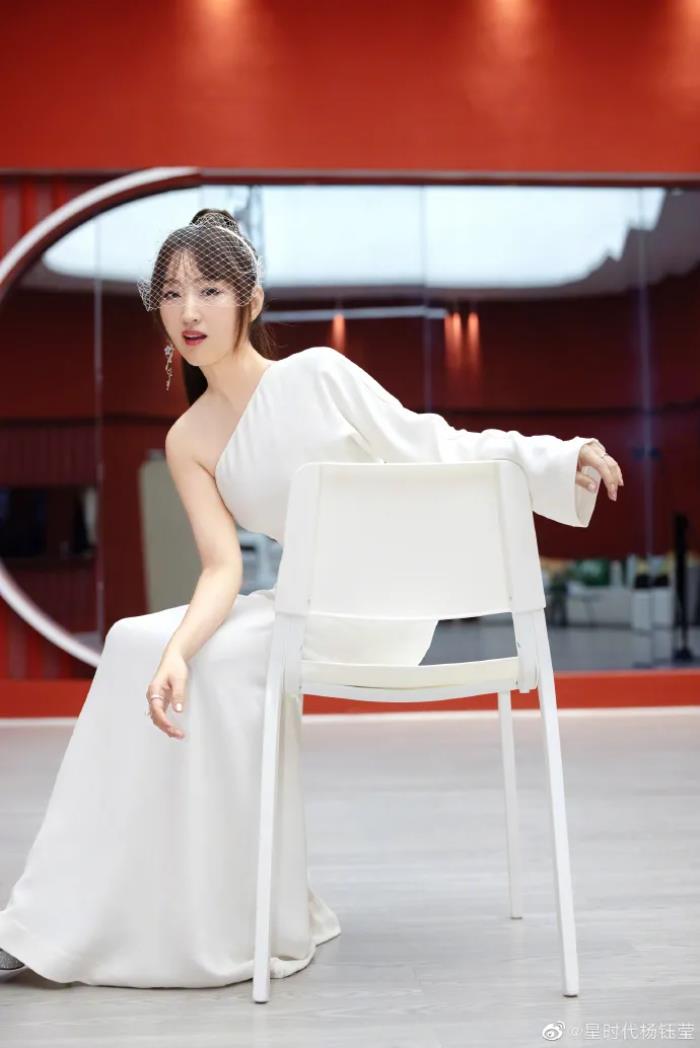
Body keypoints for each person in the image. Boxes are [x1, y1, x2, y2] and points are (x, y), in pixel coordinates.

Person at [0, 208, 623, 988]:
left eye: (210, 289)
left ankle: (236, 917)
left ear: (250, 301)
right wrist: (178, 652)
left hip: (383, 613)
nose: (189, 310)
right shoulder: (189, 438)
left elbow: (433, 444)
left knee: (217, 664)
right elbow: (221, 570)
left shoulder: (317, 375)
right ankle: (65, 918)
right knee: (133, 644)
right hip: (292, 607)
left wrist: (560, 457)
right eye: (173, 293)